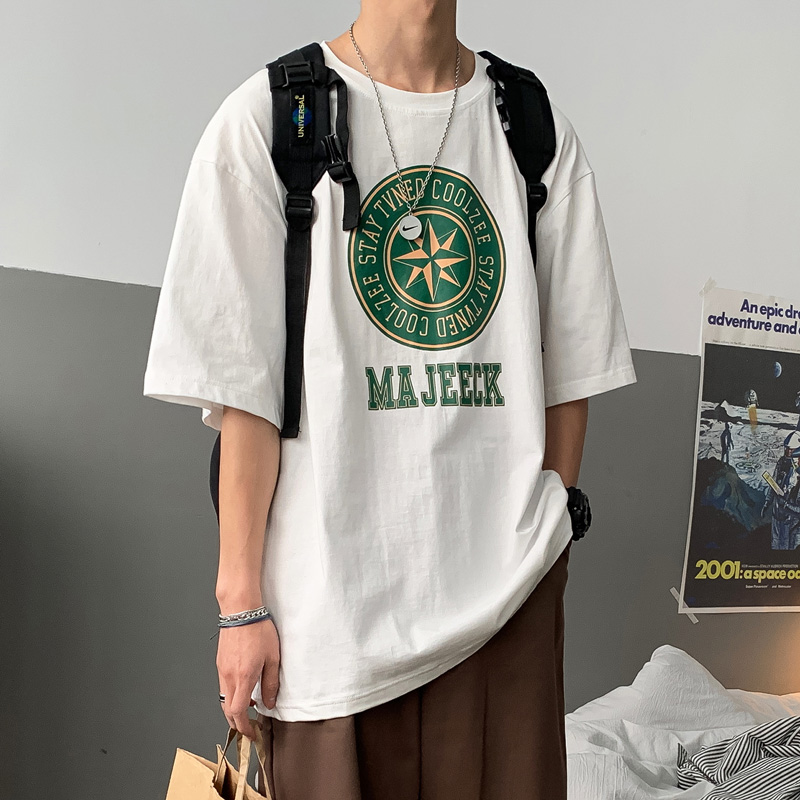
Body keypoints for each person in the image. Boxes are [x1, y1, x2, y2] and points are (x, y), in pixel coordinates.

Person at [143, 2, 637, 797]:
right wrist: (240, 606)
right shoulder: (270, 120)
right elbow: (245, 394)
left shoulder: (531, 128)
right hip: (329, 625)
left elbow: (571, 370)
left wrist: (541, 537)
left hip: (505, 615)